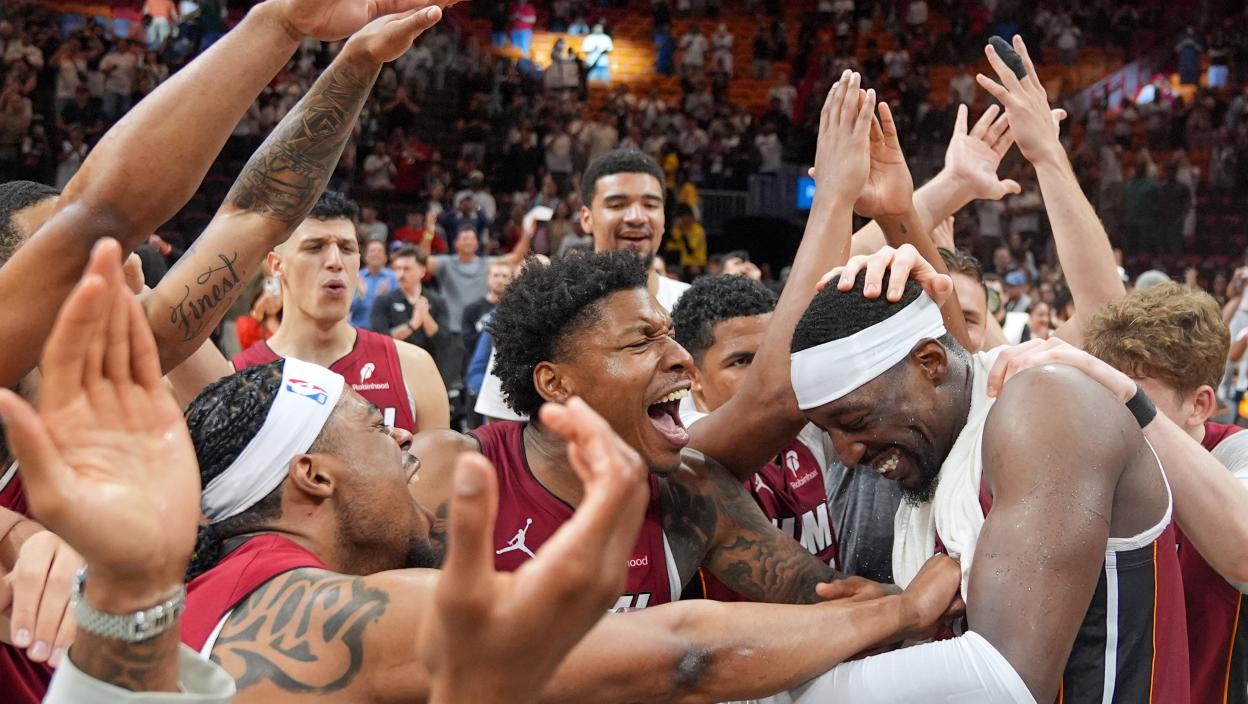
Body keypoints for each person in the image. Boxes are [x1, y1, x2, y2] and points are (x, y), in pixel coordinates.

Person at [0, 4, 454, 697]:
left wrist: (354, 61)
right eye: (53, 257)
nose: (97, 264)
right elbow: (103, 208)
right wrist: (274, 28)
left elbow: (254, 216)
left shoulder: (117, 363)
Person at [178, 357, 961, 704]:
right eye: (375, 428)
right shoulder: (352, 613)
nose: (404, 436)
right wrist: (896, 611)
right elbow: (680, 654)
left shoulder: (191, 598)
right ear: (313, 477)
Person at [785, 239, 1187, 702]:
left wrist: (786, 693)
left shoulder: (1045, 406)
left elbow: (1007, 678)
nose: (846, 454)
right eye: (829, 432)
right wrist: (896, 607)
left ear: (930, 363)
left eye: (855, 422)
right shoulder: (943, 448)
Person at [0, 241, 236, 702]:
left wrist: (135, 593)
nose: (77, 282)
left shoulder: (131, 430)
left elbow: (240, 426)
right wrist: (122, 592)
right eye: (58, 263)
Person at [1079, 284, 1248, 703]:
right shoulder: (1099, 459)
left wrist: (1137, 408)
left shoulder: (1234, 452)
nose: (1110, 412)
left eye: (1132, 395)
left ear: (1199, 405)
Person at [233, 191, 450, 432]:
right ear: (277, 265)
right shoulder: (238, 379)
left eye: (347, 248)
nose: (335, 261)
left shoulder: (414, 367)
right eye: (314, 247)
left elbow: (439, 458)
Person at [370, 245, 448, 360]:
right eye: (397, 269)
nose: (401, 274)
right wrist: (412, 325)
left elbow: (444, 343)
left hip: (428, 365)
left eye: (407, 269)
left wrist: (426, 317)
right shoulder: (383, 301)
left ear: (422, 271)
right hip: (394, 363)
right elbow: (379, 340)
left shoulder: (437, 301)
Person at [350, 239, 398, 328]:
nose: (376, 254)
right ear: (365, 257)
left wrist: (385, 298)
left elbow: (399, 309)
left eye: (380, 251)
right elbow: (347, 309)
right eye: (372, 251)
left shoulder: (394, 278)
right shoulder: (356, 278)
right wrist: (360, 295)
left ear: (385, 257)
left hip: (385, 330)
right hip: (359, 329)